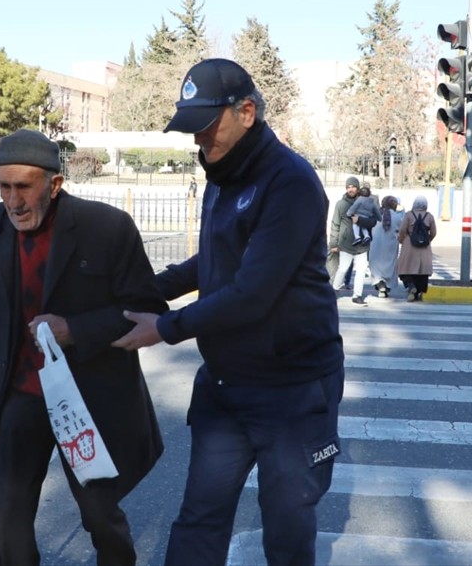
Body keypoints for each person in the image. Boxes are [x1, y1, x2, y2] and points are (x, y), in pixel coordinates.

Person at [114, 58, 344, 566]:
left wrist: (165, 328)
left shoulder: (289, 181)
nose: (198, 139)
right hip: (226, 386)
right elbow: (215, 258)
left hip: (292, 389)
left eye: (206, 125)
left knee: (286, 531)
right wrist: (149, 290)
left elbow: (252, 292)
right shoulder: (222, 174)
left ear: (246, 112)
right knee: (199, 519)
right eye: (191, 128)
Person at [0, 128, 166, 566]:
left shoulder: (107, 227)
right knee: (9, 516)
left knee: (99, 513)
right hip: (22, 393)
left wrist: (74, 329)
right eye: (4, 187)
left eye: (24, 187)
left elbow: (146, 309)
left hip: (86, 398)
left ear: (55, 183)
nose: (13, 201)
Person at [329, 176, 373, 303]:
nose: (350, 189)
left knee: (361, 270)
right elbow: (335, 224)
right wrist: (333, 243)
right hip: (346, 244)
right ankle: (334, 290)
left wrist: (360, 220)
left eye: (353, 187)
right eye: (348, 187)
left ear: (358, 188)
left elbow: (373, 222)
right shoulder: (341, 204)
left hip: (362, 245)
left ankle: (357, 295)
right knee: (343, 268)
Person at [398, 194, 437, 302]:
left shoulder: (409, 215)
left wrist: (402, 239)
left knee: (406, 268)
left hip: (409, 244)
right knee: (422, 270)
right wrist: (427, 240)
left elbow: (402, 230)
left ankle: (411, 286)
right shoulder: (429, 216)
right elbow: (433, 232)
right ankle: (418, 292)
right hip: (424, 246)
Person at [369, 195, 404, 298]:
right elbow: (402, 230)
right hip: (390, 247)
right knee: (389, 267)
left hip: (375, 246)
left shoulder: (375, 215)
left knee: (376, 267)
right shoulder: (397, 217)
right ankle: (386, 286)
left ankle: (380, 285)